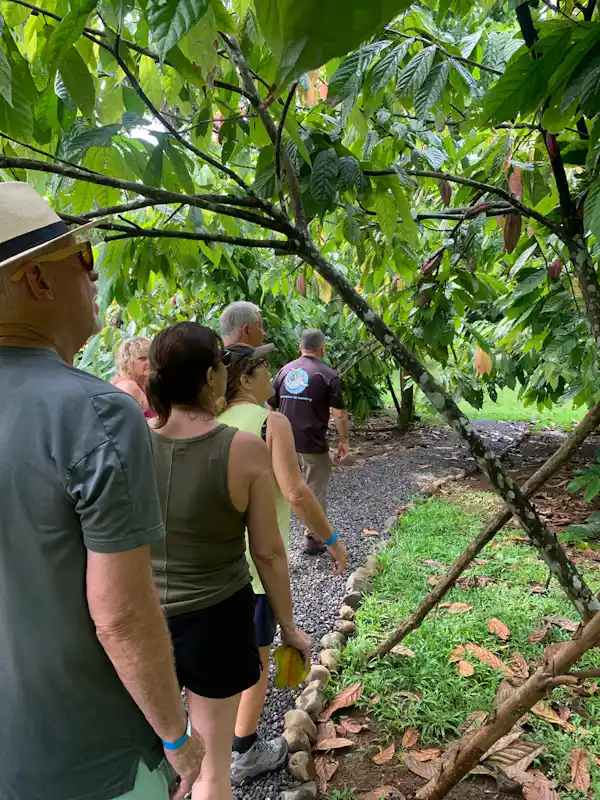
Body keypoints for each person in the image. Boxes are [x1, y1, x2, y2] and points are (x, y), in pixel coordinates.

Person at [0, 182, 203, 800]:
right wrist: (176, 736)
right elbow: (120, 614)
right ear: (38, 282)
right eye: (83, 260)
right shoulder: (97, 414)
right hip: (88, 759)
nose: (95, 277)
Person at [146, 321, 311, 800]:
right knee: (213, 766)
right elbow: (267, 551)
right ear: (211, 378)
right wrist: (289, 625)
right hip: (217, 618)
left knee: (153, 759)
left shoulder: (133, 441)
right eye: (221, 363)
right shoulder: (243, 449)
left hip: (145, 617)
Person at [220, 343, 348, 785]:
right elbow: (294, 493)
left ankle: (206, 743)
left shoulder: (205, 420)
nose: (271, 374)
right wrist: (330, 539)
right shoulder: (268, 423)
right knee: (255, 661)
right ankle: (244, 749)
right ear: (246, 377)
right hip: (253, 570)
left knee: (216, 657)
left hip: (209, 567)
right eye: (263, 367)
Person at [270, 328, 350, 554]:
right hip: (312, 445)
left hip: (282, 445)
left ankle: (275, 539)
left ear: (300, 347)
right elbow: (340, 413)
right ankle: (313, 539)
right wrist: (343, 441)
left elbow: (270, 406)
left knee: (282, 492)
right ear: (322, 349)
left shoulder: (284, 371)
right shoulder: (327, 375)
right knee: (314, 493)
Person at [111, 335, 156, 418]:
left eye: (150, 357)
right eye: (142, 358)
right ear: (128, 362)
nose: (149, 362)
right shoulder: (128, 387)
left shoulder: (142, 383)